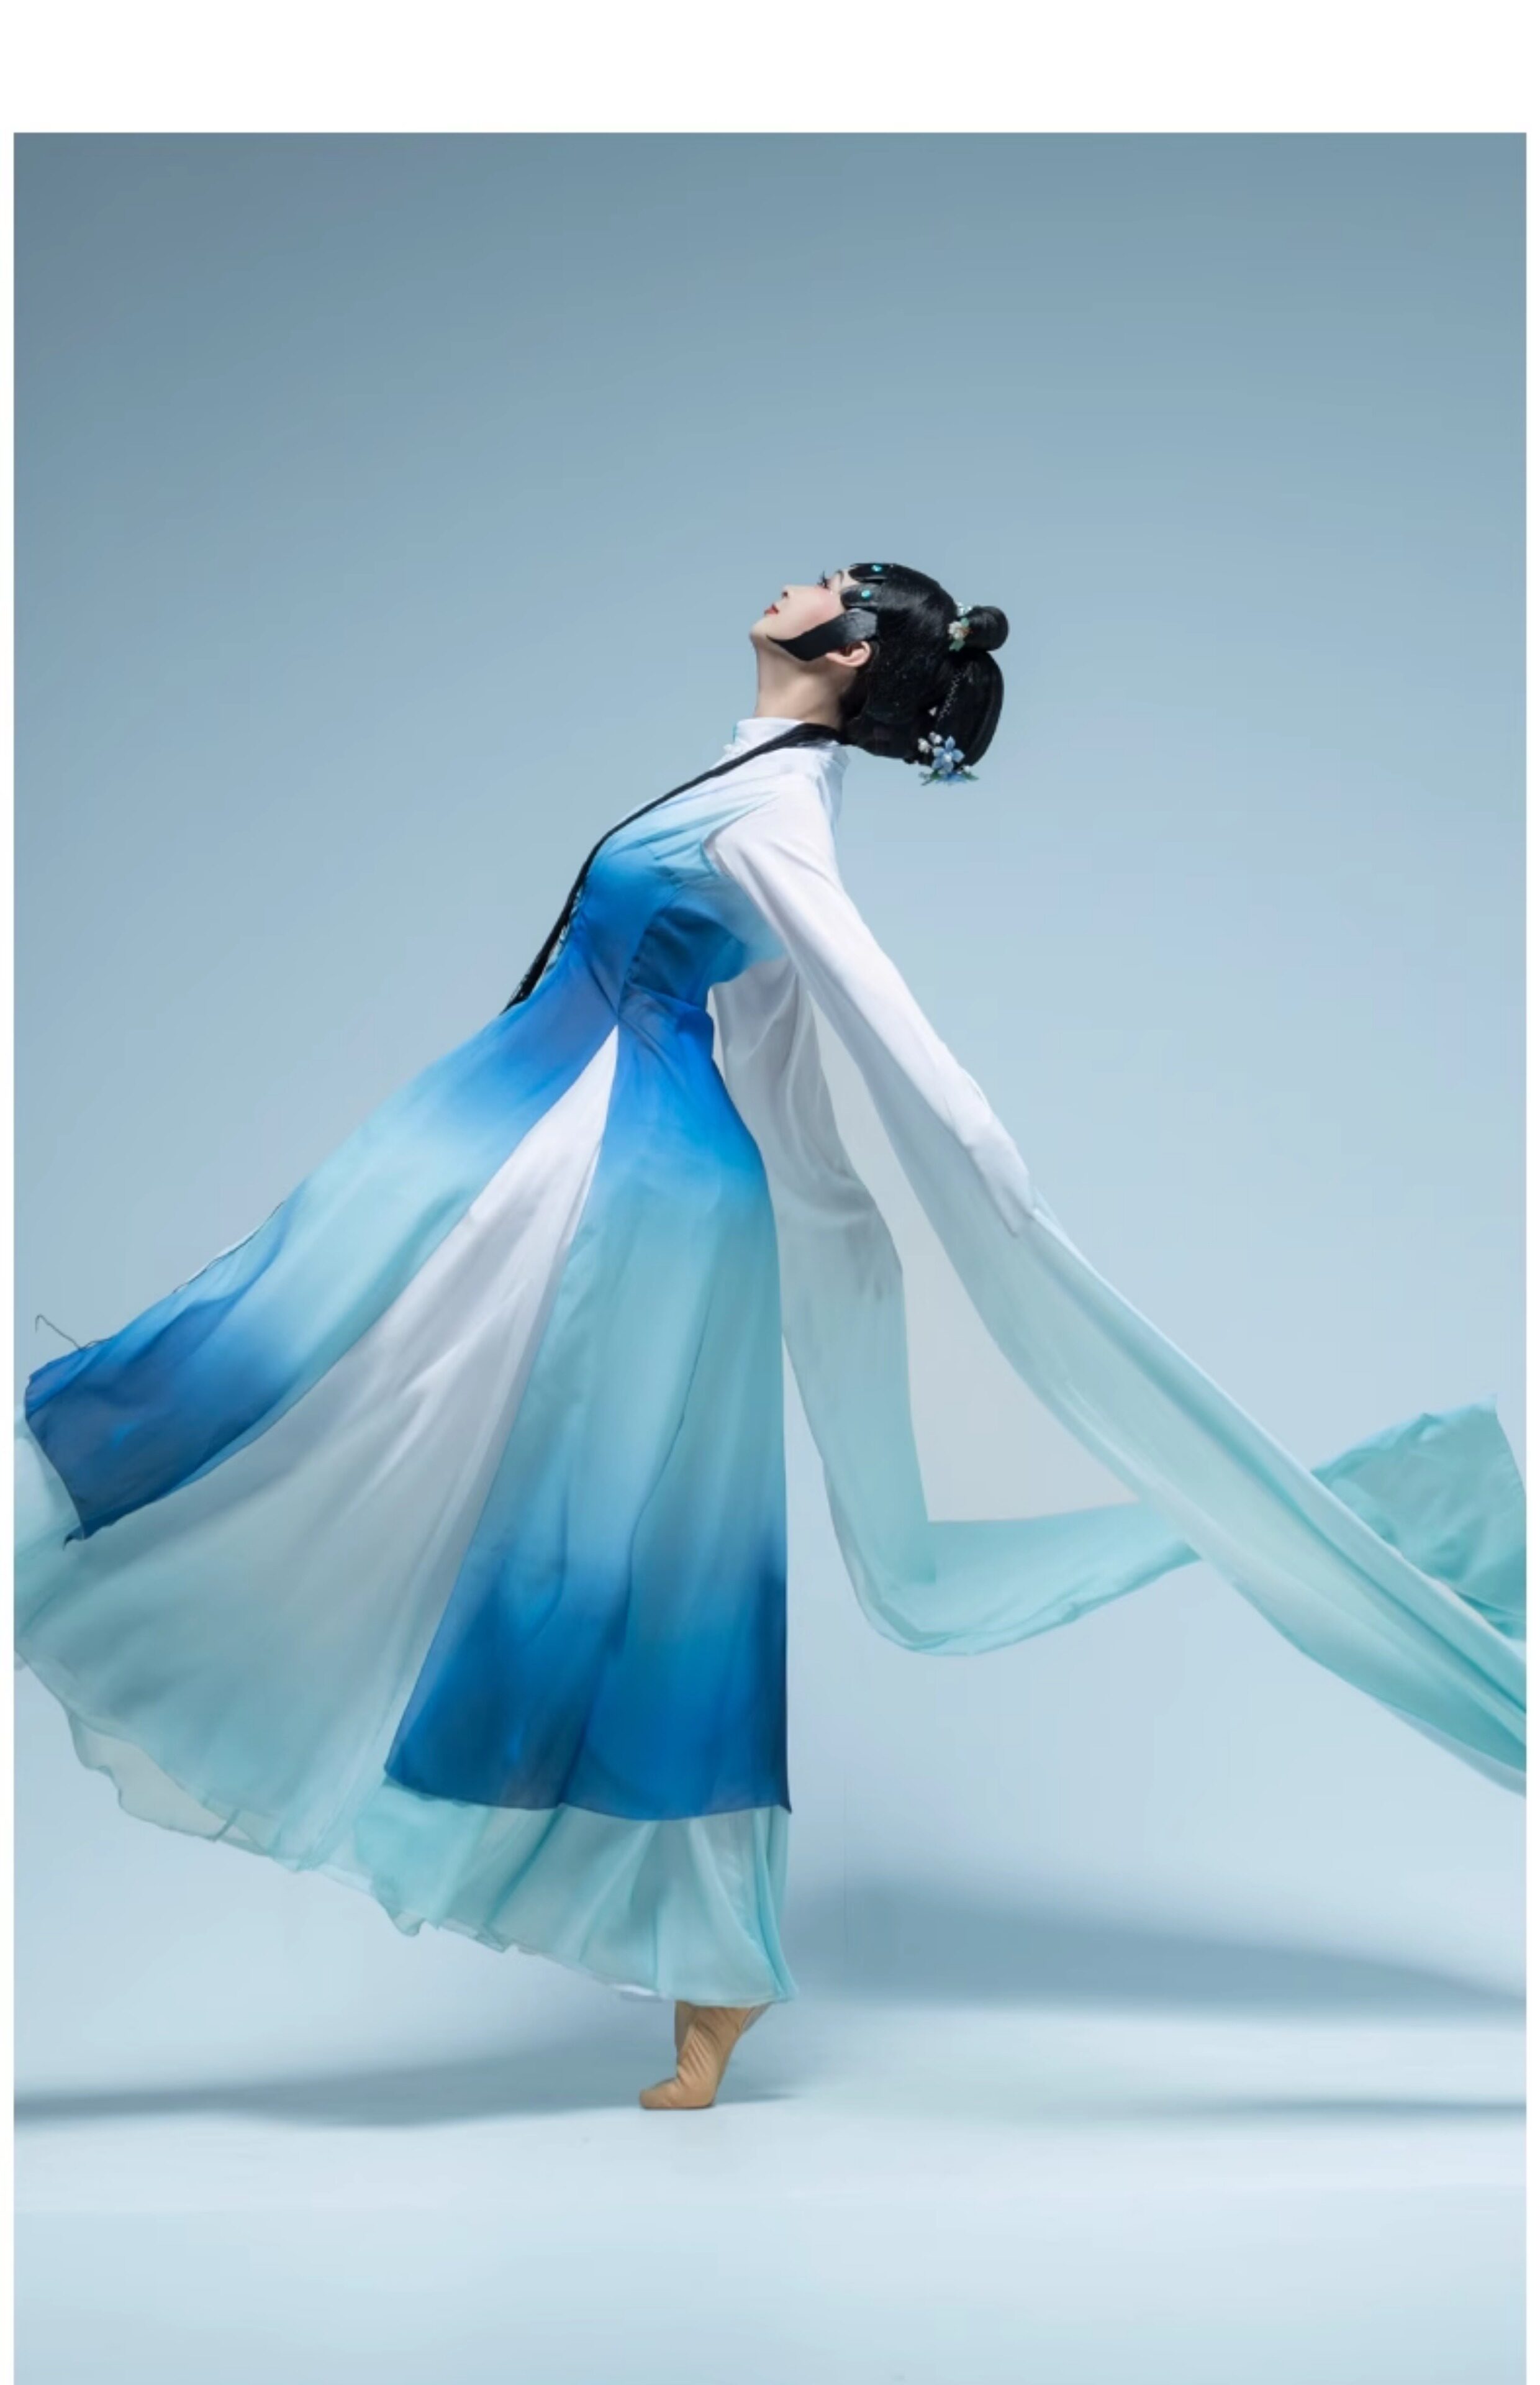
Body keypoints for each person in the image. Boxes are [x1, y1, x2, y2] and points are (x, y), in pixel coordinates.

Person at [14, 563, 1526, 2114]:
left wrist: (989, 1186)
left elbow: (873, 1015)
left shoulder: (776, 816)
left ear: (849, 649)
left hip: (619, 1191)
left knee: (565, 1516)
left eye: (831, 584)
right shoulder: (751, 784)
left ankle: (708, 1954)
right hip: (562, 1145)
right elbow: (781, 1038)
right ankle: (683, 1942)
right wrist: (827, 1197)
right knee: (360, 1391)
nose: (796, 582)